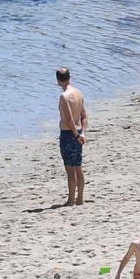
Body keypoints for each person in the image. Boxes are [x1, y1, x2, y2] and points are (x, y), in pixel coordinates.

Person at [56, 68, 88, 205]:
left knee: (70, 168)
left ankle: (70, 199)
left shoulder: (65, 96)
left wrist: (75, 136)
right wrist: (82, 134)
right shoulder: (78, 93)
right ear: (69, 77)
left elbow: (69, 121)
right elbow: (84, 117)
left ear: (58, 81)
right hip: (79, 133)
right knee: (78, 167)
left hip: (69, 135)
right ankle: (80, 198)